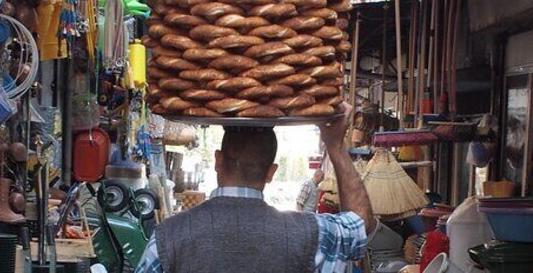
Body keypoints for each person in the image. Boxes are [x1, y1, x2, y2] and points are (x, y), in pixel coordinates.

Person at [135, 103, 375, 273]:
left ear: (218, 161)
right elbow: (359, 225)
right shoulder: (312, 234)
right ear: (271, 173)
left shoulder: (168, 237)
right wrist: (335, 146)